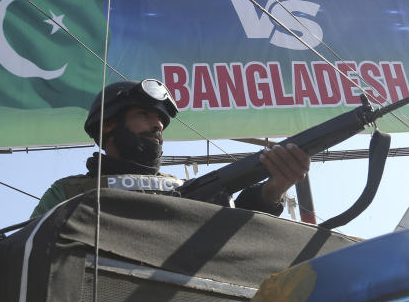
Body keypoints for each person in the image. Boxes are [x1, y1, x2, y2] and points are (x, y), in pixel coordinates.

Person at [30, 79, 311, 218]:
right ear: (108, 125)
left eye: (162, 120)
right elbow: (29, 251)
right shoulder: (68, 192)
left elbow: (232, 228)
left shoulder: (190, 188)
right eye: (144, 115)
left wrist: (272, 189)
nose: (158, 126)